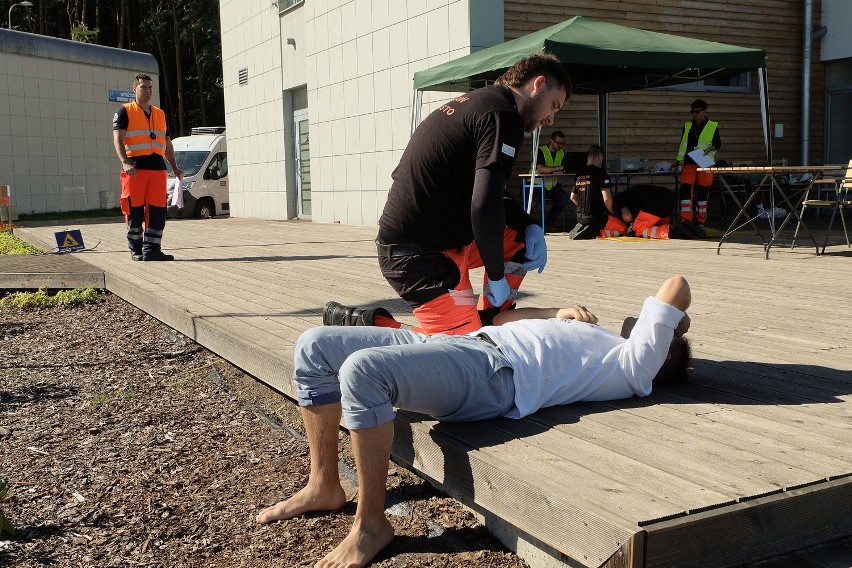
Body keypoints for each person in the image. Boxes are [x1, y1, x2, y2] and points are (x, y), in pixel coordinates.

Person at [257, 275, 693, 568]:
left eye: (660, 329)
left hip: (493, 373)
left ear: (663, 350)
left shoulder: (635, 368)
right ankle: (324, 485)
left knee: (362, 371)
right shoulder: (602, 337)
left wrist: (676, 321)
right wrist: (556, 313)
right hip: (461, 342)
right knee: (313, 345)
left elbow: (677, 286)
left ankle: (372, 524)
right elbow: (502, 318)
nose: (651, 324)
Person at [324, 54, 572, 336]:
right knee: (460, 352)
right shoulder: (503, 115)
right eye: (554, 105)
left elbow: (491, 192)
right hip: (418, 255)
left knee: (520, 239)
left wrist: (528, 226)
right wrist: (496, 276)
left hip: (442, 240)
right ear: (538, 84)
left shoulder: (484, 103)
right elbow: (485, 206)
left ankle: (492, 316)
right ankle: (368, 325)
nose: (551, 118)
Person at [113, 73, 183, 261]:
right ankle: (136, 249)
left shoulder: (160, 114)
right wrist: (125, 162)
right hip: (135, 168)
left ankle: (152, 250)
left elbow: (167, 142)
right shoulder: (124, 111)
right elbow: (118, 139)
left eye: (150, 87)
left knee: (158, 210)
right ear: (134, 89)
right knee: (134, 210)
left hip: (158, 169)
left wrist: (174, 167)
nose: (148, 90)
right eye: (143, 87)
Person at [671, 99, 721, 237]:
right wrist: (678, 161)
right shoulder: (687, 125)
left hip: (705, 162)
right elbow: (683, 145)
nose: (694, 114)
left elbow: (718, 143)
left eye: (697, 111)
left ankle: (700, 221)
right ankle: (686, 219)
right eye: (692, 111)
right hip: (690, 162)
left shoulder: (712, 125)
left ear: (704, 111)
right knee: (686, 190)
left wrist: (709, 149)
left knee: (704, 192)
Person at [567, 145, 625, 239]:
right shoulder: (600, 173)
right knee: (623, 228)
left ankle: (585, 227)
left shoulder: (579, 173)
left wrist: (582, 207)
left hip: (580, 216)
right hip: (596, 217)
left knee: (592, 221)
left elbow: (573, 197)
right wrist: (611, 212)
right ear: (599, 156)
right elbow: (607, 198)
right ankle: (595, 231)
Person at [615, 184, 698, 239]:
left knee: (637, 231)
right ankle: (685, 225)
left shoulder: (619, 201)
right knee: (657, 225)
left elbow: (627, 216)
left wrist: (628, 225)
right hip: (669, 198)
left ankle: (672, 230)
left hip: (654, 204)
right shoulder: (629, 194)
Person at [532, 130, 572, 231]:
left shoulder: (561, 153)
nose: (560, 146)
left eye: (562, 143)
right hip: (535, 185)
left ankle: (547, 224)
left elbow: (563, 169)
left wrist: (561, 171)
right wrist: (558, 168)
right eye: (558, 143)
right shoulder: (540, 151)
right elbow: (540, 169)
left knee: (563, 198)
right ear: (551, 140)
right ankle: (521, 224)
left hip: (551, 186)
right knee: (533, 202)